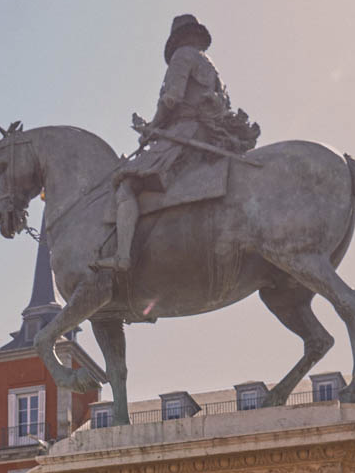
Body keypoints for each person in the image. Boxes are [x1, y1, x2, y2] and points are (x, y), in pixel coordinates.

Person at [93, 14, 258, 276]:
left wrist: (152, 129)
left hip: (186, 134)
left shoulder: (183, 56)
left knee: (126, 184)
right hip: (208, 137)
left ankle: (123, 256)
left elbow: (172, 99)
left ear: (177, 39)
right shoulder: (211, 67)